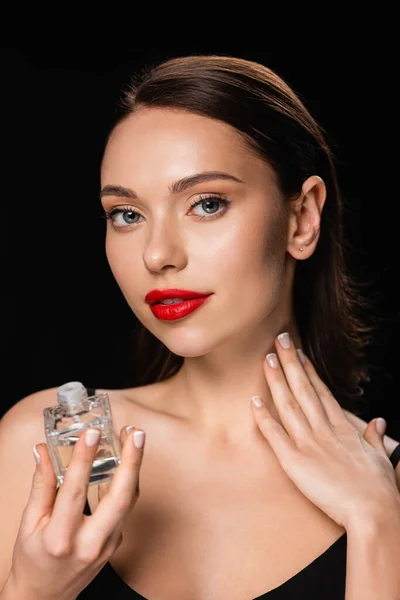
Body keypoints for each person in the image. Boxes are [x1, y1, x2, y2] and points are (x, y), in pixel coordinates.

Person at [1, 54, 399, 600]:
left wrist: (376, 524)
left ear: (303, 218)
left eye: (206, 204)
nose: (158, 255)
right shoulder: (43, 444)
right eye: (126, 214)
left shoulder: (387, 490)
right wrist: (32, 590)